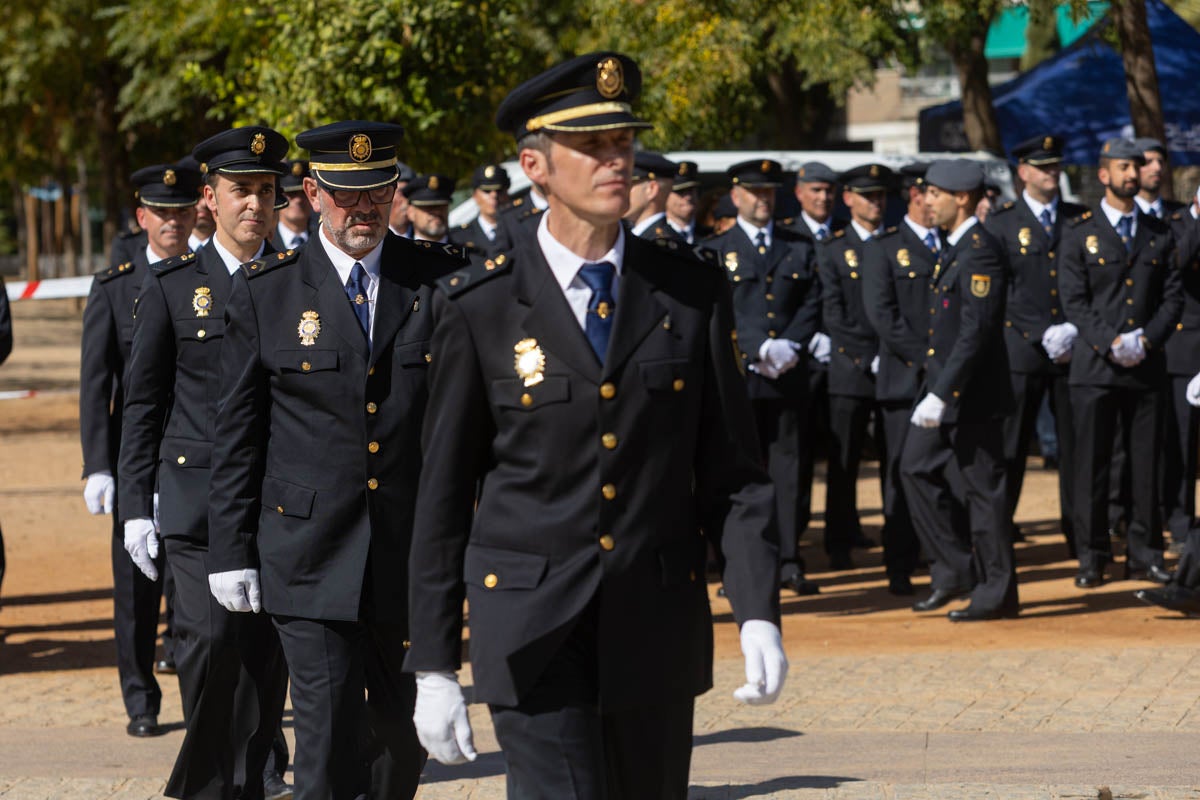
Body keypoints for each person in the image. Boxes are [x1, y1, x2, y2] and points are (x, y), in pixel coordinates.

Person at [404, 52, 787, 799]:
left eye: (624, 142)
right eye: (593, 146)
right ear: (534, 166)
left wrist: (756, 608)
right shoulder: (477, 306)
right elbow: (444, 496)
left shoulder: (690, 293)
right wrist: (433, 662)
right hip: (532, 627)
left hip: (654, 622)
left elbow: (733, 475)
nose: (617, 160)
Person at [206, 121, 463, 800]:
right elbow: (237, 435)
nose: (364, 208)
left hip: (409, 556)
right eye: (348, 194)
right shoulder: (267, 292)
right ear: (313, 193)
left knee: (402, 744)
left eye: (378, 192)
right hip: (309, 555)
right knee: (325, 743)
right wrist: (230, 549)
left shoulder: (440, 281)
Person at [118, 127, 291, 800]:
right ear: (208, 201)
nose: (255, 203)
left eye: (266, 191)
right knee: (212, 643)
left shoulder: (296, 286)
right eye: (240, 190)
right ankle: (211, 787)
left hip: (276, 501)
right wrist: (135, 505)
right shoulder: (171, 289)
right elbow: (142, 406)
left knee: (263, 657)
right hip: (194, 506)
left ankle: (245, 781)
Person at [81, 162, 198, 739]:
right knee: (134, 592)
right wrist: (97, 465)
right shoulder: (114, 286)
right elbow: (95, 385)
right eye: (163, 213)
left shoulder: (208, 279)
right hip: (135, 461)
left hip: (193, 460)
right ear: (142, 217)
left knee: (191, 587)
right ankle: (140, 700)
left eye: (182, 212)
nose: (173, 221)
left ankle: (196, 684)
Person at [1059, 138, 1182, 588]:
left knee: (1146, 464)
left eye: (1137, 167)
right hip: (1095, 369)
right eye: (1123, 167)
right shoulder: (1078, 233)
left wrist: (1146, 340)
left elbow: (1171, 298)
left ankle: (1145, 552)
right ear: (1104, 175)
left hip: (1146, 366)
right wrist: (1109, 341)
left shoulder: (1158, 233)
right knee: (1092, 466)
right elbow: (1073, 300)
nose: (1132, 174)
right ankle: (1092, 555)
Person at [901, 158, 1018, 621]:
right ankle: (954, 568)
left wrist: (942, 392)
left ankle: (997, 591)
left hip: (972, 396)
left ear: (962, 197)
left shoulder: (979, 250)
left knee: (984, 495)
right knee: (913, 468)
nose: (926, 201)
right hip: (947, 391)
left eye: (934, 194)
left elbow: (976, 330)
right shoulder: (956, 246)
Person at [706, 158, 822, 596]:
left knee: (788, 473)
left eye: (769, 192)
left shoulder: (797, 244)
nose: (763, 200)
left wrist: (791, 343)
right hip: (741, 376)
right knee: (739, 472)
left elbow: (813, 299)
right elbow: (720, 308)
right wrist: (757, 347)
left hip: (788, 373)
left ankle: (789, 559)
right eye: (755, 193)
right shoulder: (718, 248)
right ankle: (738, 563)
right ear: (736, 197)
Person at [984, 135, 1087, 557]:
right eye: (1042, 167)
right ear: (1023, 172)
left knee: (1076, 452)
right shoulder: (1002, 222)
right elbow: (1000, 288)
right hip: (1022, 352)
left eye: (1055, 166)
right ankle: (998, 539)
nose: (1051, 173)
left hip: (1073, 351)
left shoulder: (1079, 218)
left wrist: (1073, 328)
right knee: (1010, 450)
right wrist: (1039, 330)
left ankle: (1081, 539)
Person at [861, 161, 939, 596]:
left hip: (946, 382)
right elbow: (883, 317)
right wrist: (928, 358)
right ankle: (900, 564)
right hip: (905, 383)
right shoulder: (885, 247)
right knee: (899, 479)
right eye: (934, 193)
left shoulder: (950, 243)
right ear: (916, 195)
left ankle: (943, 559)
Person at [817, 164, 893, 570]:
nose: (876, 203)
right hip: (850, 369)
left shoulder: (895, 244)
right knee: (844, 462)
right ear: (848, 199)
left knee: (893, 459)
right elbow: (835, 314)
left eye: (880, 196)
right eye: (867, 196)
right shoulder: (832, 248)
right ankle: (839, 540)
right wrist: (869, 356)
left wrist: (892, 353)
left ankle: (898, 537)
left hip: (893, 368)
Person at [1161, 187, 1200, 546]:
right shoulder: (1175, 222)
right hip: (1187, 348)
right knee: (1184, 442)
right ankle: (1181, 519)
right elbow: (1177, 261)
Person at [450, 163, 513, 259]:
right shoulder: (458, 238)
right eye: (487, 191)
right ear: (475, 195)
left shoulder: (522, 229)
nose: (494, 196)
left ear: (507, 193)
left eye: (499, 190)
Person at [624, 151, 683, 241]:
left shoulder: (661, 244)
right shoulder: (634, 236)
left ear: (651, 189)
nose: (621, 192)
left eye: (628, 185)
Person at [273, 159, 314, 250]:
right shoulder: (265, 243)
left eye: (304, 193)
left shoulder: (322, 243)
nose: (298, 200)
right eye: (291, 194)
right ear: (278, 197)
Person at [403, 173, 454, 243]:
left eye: (441, 206)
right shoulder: (397, 253)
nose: (437, 212)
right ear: (410, 213)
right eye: (428, 207)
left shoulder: (465, 251)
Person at [665, 160, 705, 243]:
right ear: (665, 195)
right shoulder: (656, 236)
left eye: (691, 190)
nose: (688, 197)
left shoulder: (709, 236)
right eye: (680, 192)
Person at [388, 161, 417, 237]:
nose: (406, 201)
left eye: (410, 193)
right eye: (401, 193)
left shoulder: (423, 236)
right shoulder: (376, 239)